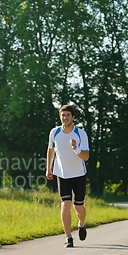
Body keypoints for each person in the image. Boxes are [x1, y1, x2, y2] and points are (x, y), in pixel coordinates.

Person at [46, 105, 90, 247]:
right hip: (62, 174)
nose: (65, 118)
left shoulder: (80, 134)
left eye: (68, 115)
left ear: (73, 117)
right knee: (65, 205)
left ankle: (82, 224)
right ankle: (68, 237)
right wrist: (49, 168)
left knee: (78, 207)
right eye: (63, 115)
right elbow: (51, 150)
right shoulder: (55, 132)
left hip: (78, 175)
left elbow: (86, 156)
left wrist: (76, 148)